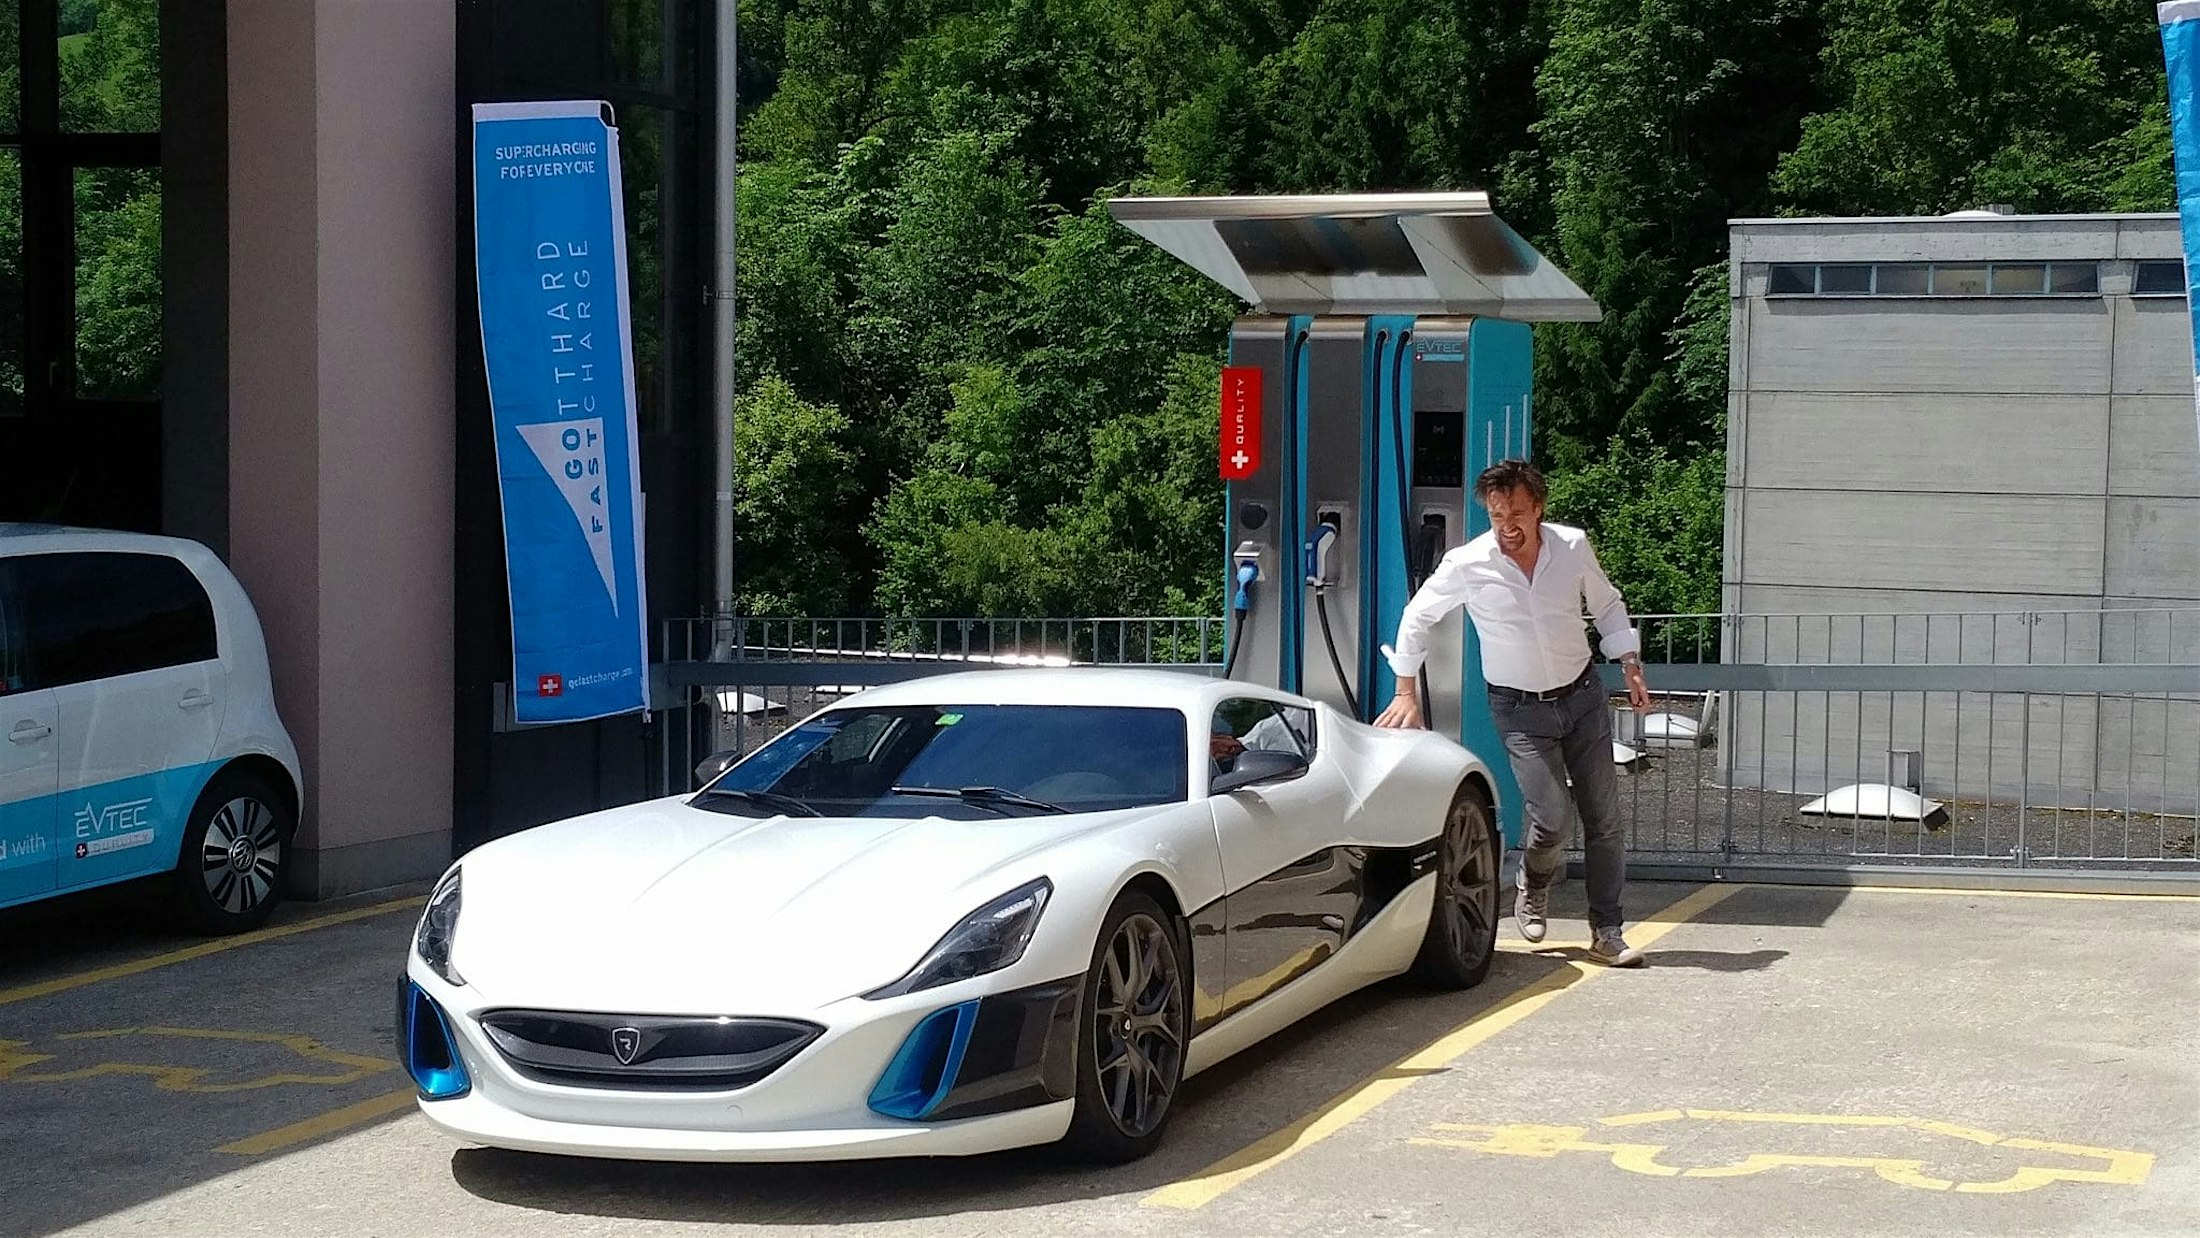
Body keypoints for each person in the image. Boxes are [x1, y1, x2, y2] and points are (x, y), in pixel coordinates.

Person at [1374, 458, 1651, 967]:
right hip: (1519, 708)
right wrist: (1404, 692)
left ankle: (1607, 930)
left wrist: (1629, 662)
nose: (1507, 527)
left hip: (1582, 696)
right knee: (1551, 818)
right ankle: (1533, 880)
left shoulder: (1571, 546)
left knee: (1604, 821)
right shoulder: (1468, 563)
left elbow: (1608, 604)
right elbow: (1418, 616)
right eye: (1497, 516)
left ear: (1538, 509)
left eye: (1516, 514)